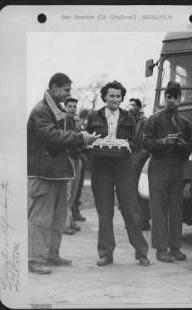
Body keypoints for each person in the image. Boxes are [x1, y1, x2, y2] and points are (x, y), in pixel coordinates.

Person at [27, 73, 100, 274]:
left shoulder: (55, 109)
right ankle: (35, 259)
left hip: (57, 172)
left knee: (58, 218)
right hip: (42, 173)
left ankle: (51, 254)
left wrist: (80, 137)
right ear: (54, 87)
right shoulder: (40, 111)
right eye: (66, 89)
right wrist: (82, 138)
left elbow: (63, 136)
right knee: (40, 219)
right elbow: (52, 136)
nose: (69, 93)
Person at [86, 80, 150, 267]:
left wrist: (124, 145)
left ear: (122, 98)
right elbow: (89, 139)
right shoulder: (94, 116)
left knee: (131, 210)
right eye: (111, 95)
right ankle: (106, 253)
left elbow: (134, 142)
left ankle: (141, 252)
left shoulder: (129, 117)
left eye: (118, 96)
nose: (115, 99)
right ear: (105, 97)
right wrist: (94, 144)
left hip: (123, 167)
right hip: (101, 167)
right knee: (104, 211)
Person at [143, 81, 192, 263]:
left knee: (176, 208)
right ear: (165, 98)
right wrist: (164, 142)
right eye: (169, 97)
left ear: (180, 98)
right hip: (158, 166)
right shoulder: (154, 120)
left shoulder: (184, 123)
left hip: (177, 167)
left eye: (175, 97)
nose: (172, 101)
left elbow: (190, 148)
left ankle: (176, 248)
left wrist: (181, 145)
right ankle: (161, 249)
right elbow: (146, 144)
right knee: (158, 208)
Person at [128, 98, 151, 231]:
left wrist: (142, 154)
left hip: (139, 158)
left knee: (140, 190)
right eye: (130, 105)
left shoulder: (144, 121)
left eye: (133, 105)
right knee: (131, 189)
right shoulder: (129, 121)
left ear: (138, 107)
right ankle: (136, 219)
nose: (130, 107)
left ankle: (142, 220)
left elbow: (145, 141)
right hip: (131, 157)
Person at [63, 97, 83, 235]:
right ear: (65, 107)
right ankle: (64, 224)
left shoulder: (75, 122)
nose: (72, 108)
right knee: (67, 192)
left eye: (74, 106)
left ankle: (69, 220)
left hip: (77, 157)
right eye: (70, 106)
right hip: (67, 157)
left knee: (74, 191)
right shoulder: (63, 121)